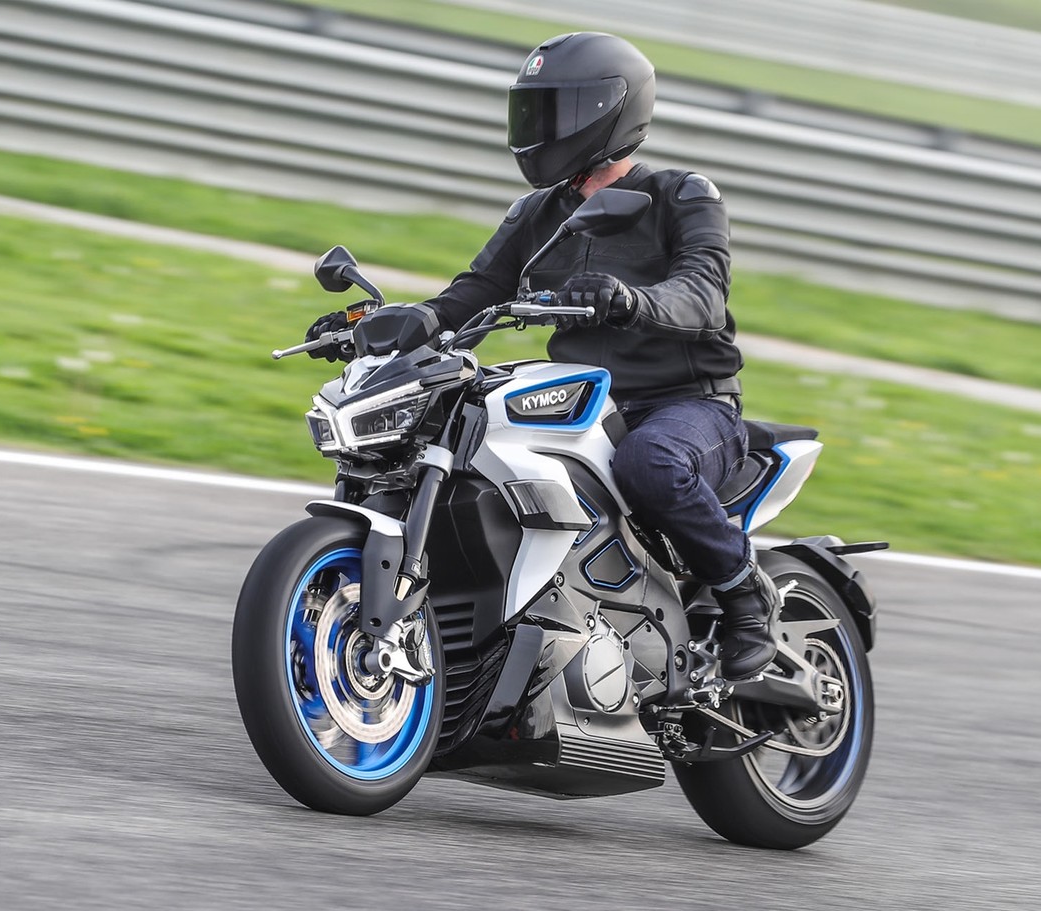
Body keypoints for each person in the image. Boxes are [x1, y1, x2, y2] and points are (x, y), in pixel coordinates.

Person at [305, 32, 778, 680]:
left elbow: (703, 293)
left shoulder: (683, 195)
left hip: (687, 404)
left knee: (650, 463)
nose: (537, 128)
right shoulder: (538, 211)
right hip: (588, 400)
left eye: (554, 111)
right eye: (531, 111)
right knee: (467, 442)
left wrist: (629, 301)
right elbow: (473, 293)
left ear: (610, 110)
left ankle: (746, 593)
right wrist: (393, 324)